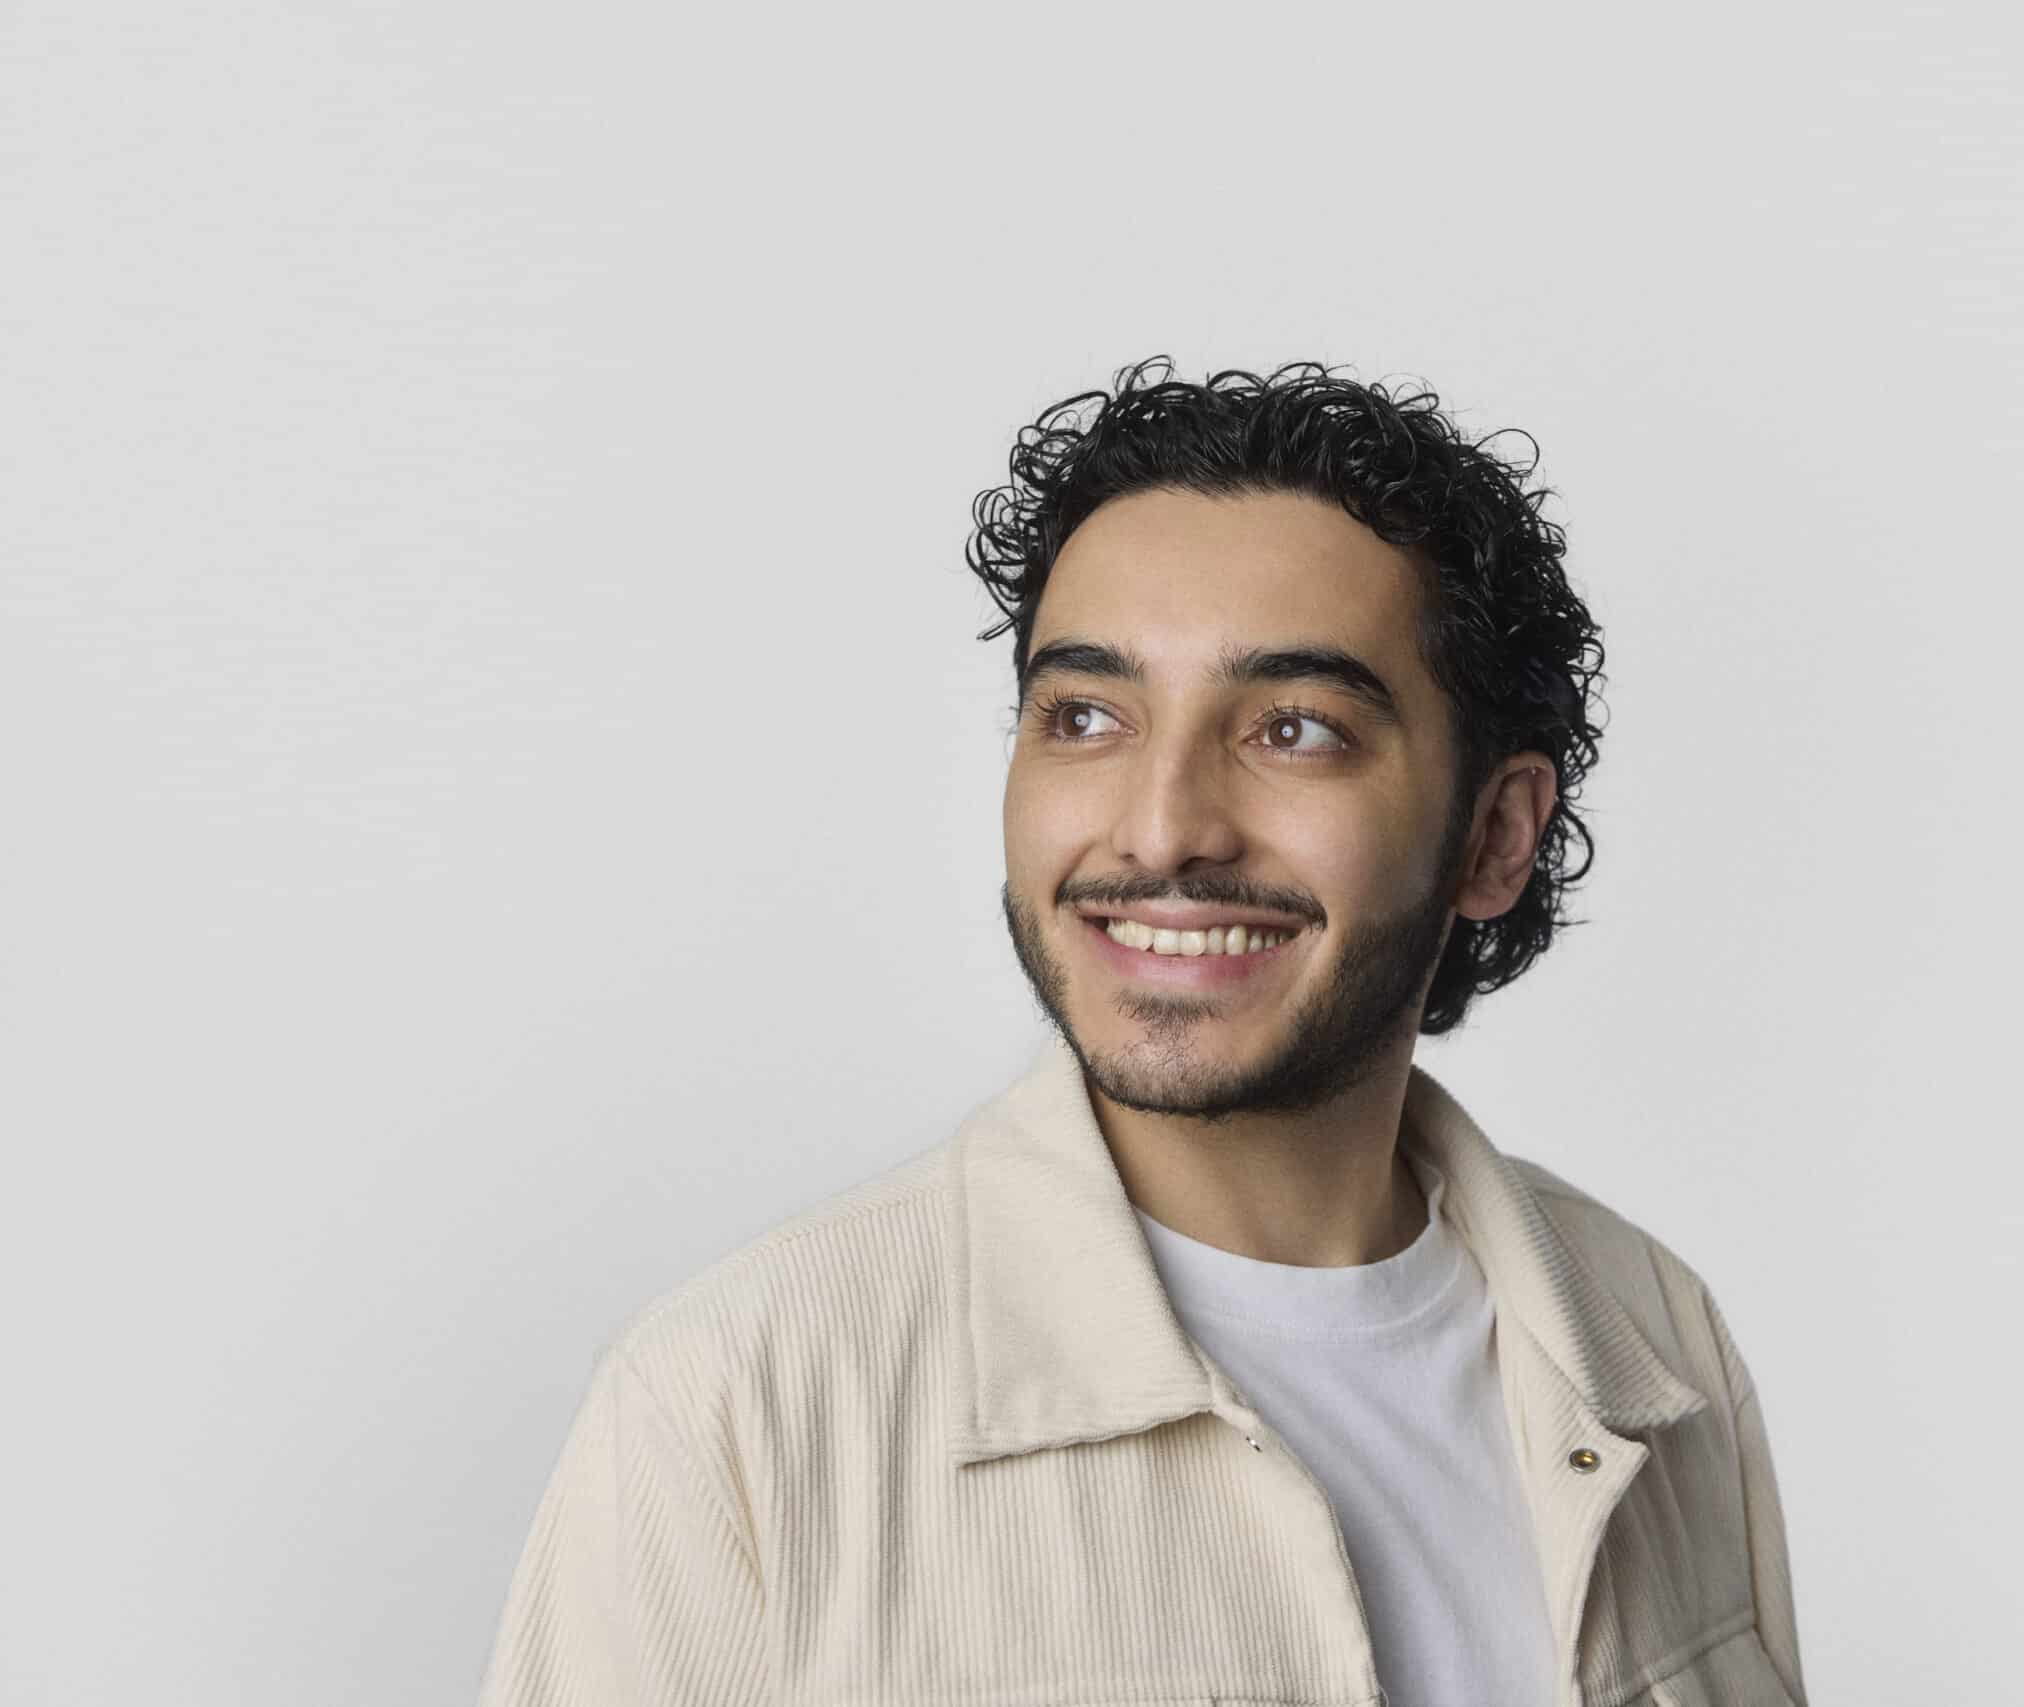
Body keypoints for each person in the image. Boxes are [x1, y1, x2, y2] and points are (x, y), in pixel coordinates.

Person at [476, 356, 1809, 1707]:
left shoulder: (1651, 1339)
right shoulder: (735, 1412)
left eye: (1294, 729)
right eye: (1088, 717)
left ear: (1495, 833)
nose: (1163, 826)